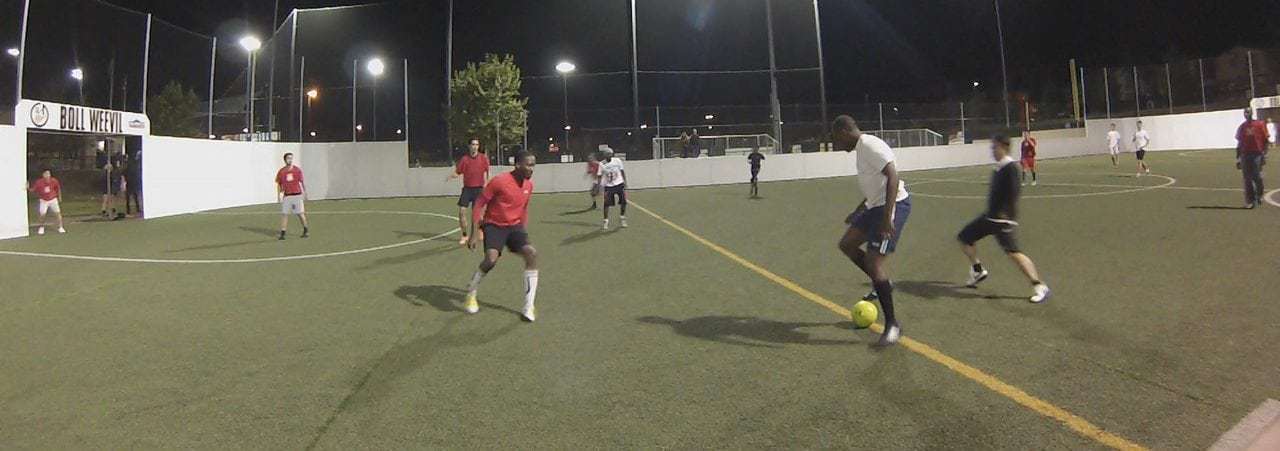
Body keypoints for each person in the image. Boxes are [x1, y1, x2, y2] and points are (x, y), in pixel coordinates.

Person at [832, 115, 912, 347]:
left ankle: (893, 325)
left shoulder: (869, 145)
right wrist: (858, 211)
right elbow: (874, 187)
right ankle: (884, 284)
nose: (838, 145)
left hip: (893, 207)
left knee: (875, 262)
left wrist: (887, 218)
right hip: (874, 207)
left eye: (837, 139)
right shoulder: (861, 149)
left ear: (845, 131)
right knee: (846, 245)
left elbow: (893, 176)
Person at [958, 135, 1052, 304]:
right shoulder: (999, 167)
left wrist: (1006, 216)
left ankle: (1039, 285)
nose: (992, 151)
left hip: (1002, 220)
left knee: (1014, 253)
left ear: (1003, 147)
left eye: (994, 147)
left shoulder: (1010, 168)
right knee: (964, 237)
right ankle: (978, 270)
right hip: (990, 218)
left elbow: (1014, 193)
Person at [464, 150, 540, 322]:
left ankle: (529, 306)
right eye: (528, 165)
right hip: (494, 225)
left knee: (531, 254)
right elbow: (479, 203)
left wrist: (523, 231)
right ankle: (471, 291)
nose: (531, 168)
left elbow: (524, 209)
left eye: (533, 165)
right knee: (491, 260)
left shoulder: (529, 185)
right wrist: (474, 233)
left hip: (515, 227)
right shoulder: (499, 181)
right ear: (517, 165)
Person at [449, 138, 490, 246]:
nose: (475, 146)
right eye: (473, 144)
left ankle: (480, 230)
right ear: (469, 146)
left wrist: (487, 186)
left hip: (479, 189)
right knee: (462, 212)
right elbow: (458, 172)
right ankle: (464, 235)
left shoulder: (483, 158)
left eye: (477, 144)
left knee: (479, 215)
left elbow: (487, 173)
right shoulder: (464, 159)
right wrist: (452, 176)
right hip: (467, 189)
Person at [1236, 108, 1269, 209]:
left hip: (1257, 154)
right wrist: (1238, 158)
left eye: (1248, 112)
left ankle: (1259, 194)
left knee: (1257, 176)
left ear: (1252, 113)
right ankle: (1250, 201)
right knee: (1247, 179)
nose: (1246, 114)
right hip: (1245, 154)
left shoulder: (1260, 124)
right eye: (1244, 112)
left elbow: (1266, 139)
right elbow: (1239, 142)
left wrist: (1265, 153)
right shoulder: (1242, 127)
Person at [275, 152, 309, 240]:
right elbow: (279, 184)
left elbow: (302, 182)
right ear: (285, 160)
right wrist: (279, 195)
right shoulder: (281, 172)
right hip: (287, 196)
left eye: (291, 158)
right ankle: (283, 233)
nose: (290, 160)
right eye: (288, 158)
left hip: (297, 195)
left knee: (300, 213)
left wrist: (305, 193)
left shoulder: (297, 170)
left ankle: (306, 229)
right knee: (285, 214)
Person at [26, 169, 66, 235]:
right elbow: (33, 190)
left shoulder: (54, 180)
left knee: (57, 213)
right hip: (43, 200)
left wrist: (59, 197)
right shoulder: (39, 182)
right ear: (43, 175)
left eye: (49, 174)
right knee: (42, 214)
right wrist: (28, 188)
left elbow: (58, 188)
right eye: (46, 174)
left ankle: (60, 227)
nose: (48, 175)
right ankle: (41, 227)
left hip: (53, 199)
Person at [598, 148, 628, 230]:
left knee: (624, 201)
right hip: (608, 186)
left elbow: (622, 171)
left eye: (610, 154)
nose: (609, 156)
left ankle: (622, 217)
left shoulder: (617, 161)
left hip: (619, 184)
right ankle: (606, 221)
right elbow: (599, 175)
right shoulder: (601, 164)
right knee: (606, 204)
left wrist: (625, 181)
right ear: (604, 155)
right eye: (607, 154)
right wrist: (600, 186)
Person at [123, 150, 142, 217]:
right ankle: (131, 210)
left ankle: (133, 210)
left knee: (133, 196)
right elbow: (125, 173)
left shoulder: (131, 164)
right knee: (132, 196)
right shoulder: (130, 165)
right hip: (131, 182)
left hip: (131, 182)